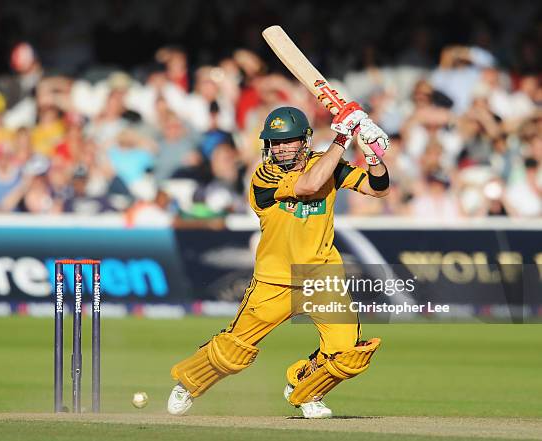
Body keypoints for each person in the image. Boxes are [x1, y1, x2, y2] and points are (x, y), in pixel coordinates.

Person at [167, 103, 391, 418]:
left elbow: (378, 188)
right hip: (275, 279)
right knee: (234, 349)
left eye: (288, 140)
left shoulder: (328, 164)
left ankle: (306, 389)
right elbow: (311, 184)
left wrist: (372, 155)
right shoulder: (264, 178)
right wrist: (342, 139)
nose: (280, 148)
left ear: (305, 140)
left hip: (321, 277)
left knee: (349, 352)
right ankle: (188, 384)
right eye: (275, 142)